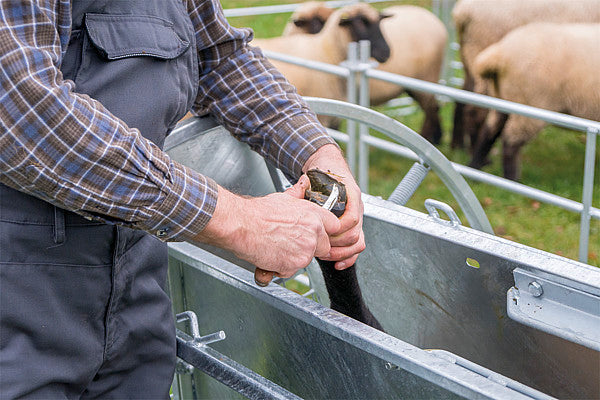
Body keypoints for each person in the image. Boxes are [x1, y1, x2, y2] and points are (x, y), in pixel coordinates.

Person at [0, 0, 365, 398]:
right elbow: (19, 106)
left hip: (138, 275)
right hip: (19, 284)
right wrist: (240, 222)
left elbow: (220, 59)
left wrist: (318, 154)